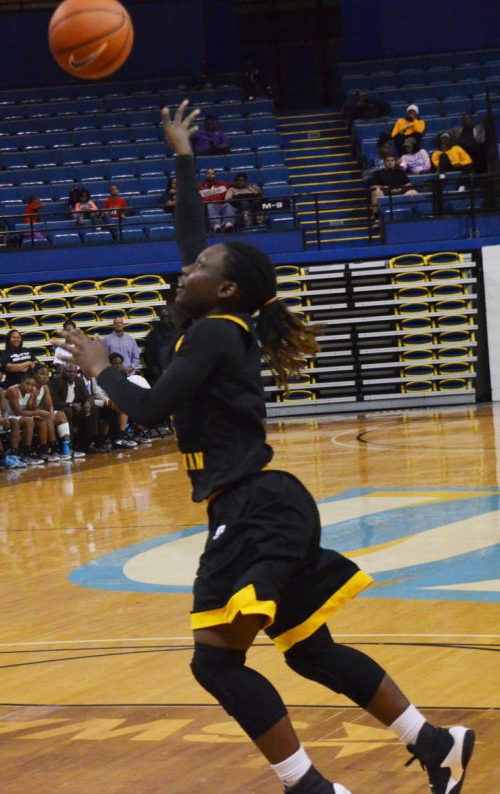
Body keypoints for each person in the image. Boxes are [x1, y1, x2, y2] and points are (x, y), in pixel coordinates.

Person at [56, 100, 475, 794]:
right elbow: (194, 238)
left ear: (222, 288)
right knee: (309, 651)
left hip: (252, 508)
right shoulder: (212, 317)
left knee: (214, 663)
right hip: (270, 504)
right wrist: (184, 159)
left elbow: (151, 409)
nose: (182, 270)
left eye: (198, 267)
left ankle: (311, 788)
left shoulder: (218, 330)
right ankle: (436, 744)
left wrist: (102, 367)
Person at [4, 372, 52, 465]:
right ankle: (26, 454)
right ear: (21, 382)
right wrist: (38, 412)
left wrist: (33, 397)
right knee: (29, 421)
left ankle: (43, 451)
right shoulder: (13, 390)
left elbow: (31, 409)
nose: (30, 387)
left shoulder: (30, 392)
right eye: (27, 384)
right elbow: (17, 412)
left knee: (41, 421)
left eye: (32, 385)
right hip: (6, 417)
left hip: (19, 417)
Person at [49, 362, 97, 454]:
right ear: (63, 372)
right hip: (61, 409)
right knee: (67, 411)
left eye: (74, 371)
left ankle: (86, 443)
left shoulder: (79, 381)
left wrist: (87, 403)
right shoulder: (57, 381)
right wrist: (71, 405)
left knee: (93, 408)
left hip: (76, 408)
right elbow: (54, 402)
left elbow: (88, 396)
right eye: (69, 371)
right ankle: (69, 444)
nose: (72, 374)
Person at [370, 155, 418, 219]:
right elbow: (373, 186)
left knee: (413, 191)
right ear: (384, 162)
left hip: (400, 192)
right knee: (376, 192)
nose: (390, 162)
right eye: (388, 161)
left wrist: (400, 188)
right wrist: (384, 187)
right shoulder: (378, 173)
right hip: (385, 193)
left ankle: (415, 215)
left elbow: (408, 184)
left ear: (395, 162)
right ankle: (377, 218)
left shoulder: (400, 172)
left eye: (392, 160)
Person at [142, 305, 180, 384]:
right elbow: (148, 354)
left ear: (170, 316)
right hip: (158, 372)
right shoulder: (153, 335)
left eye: (166, 316)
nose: (165, 319)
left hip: (174, 370)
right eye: (163, 317)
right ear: (160, 317)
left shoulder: (177, 333)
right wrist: (153, 368)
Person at [200, 168, 236, 233]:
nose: (210, 175)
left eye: (212, 173)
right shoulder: (199, 187)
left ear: (215, 175)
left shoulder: (222, 184)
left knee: (228, 205)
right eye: (208, 173)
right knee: (210, 205)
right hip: (210, 206)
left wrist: (250, 186)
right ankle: (216, 226)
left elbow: (237, 186)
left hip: (222, 204)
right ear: (205, 175)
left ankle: (227, 224)